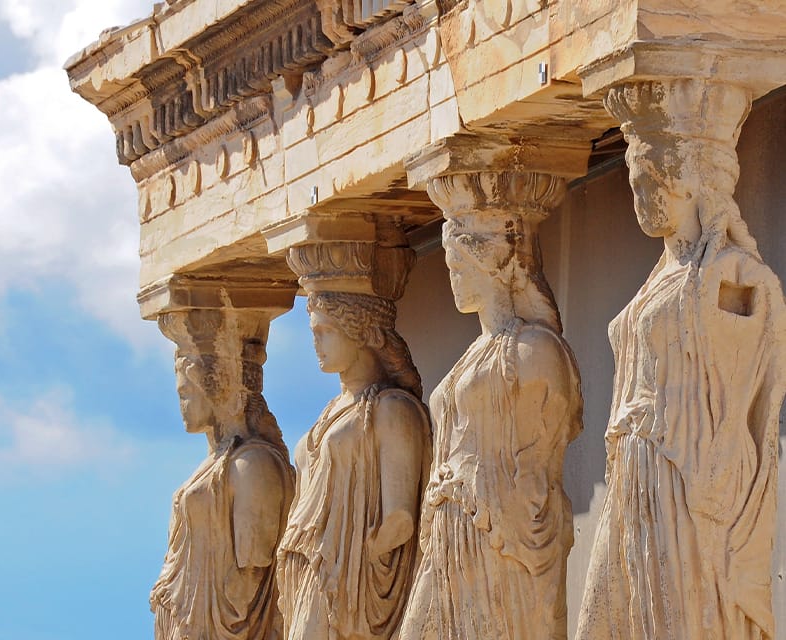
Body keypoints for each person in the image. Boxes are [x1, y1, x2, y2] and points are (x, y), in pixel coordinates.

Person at [576, 80, 786, 640]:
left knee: (680, 616)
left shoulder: (734, 274)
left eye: (652, 182)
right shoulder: (660, 279)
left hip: (689, 468)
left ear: (691, 184)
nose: (641, 196)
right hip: (638, 465)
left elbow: (751, 380)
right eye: (635, 183)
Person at [400, 179, 582, 640]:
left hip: (499, 531)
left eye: (460, 265)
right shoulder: (472, 356)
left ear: (491, 265)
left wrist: (509, 504)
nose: (453, 279)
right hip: (449, 528)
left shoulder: (533, 349)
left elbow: (543, 454)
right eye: (450, 266)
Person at [277, 291, 431, 640]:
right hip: (309, 570)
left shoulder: (391, 408)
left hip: (346, 579)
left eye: (326, 331)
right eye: (314, 332)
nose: (315, 342)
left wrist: (357, 559)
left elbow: (400, 518)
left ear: (361, 332)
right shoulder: (330, 412)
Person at [150, 310, 295, 640]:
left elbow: (252, 571)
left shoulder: (252, 463)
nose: (182, 404)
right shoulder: (217, 462)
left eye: (186, 393)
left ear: (213, 388)